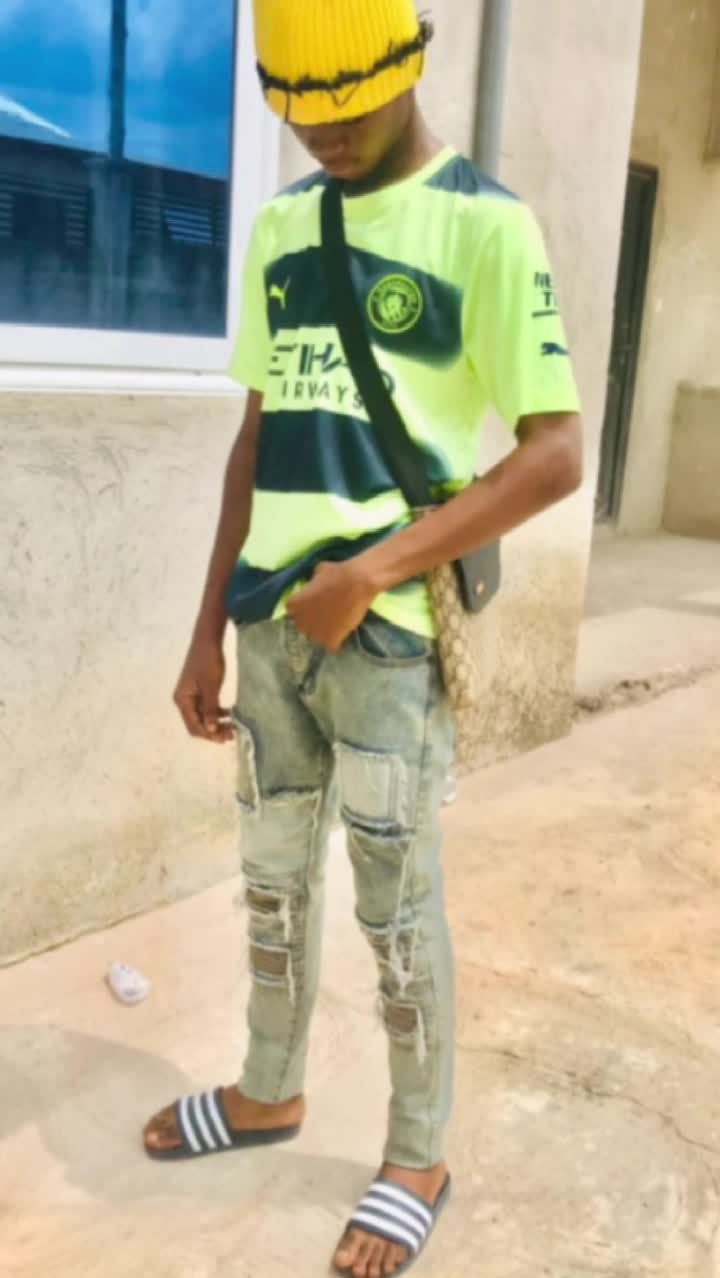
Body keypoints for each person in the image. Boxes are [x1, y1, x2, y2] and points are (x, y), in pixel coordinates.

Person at [143, 2, 583, 1273]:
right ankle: (267, 1090)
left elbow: (556, 453)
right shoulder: (285, 227)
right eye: (301, 113)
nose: (325, 134)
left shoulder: (484, 225)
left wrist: (374, 572)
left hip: (385, 640)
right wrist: (205, 630)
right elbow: (256, 437)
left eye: (349, 106)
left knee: (398, 907)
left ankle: (418, 1154)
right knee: (271, 883)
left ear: (410, 62)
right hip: (270, 628)